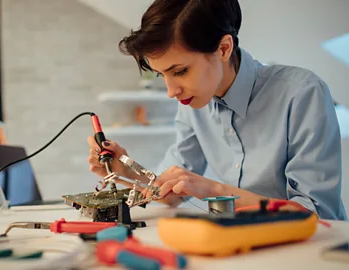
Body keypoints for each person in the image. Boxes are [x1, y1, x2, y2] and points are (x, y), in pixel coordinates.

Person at [87, 0, 347, 220]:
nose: (171, 90)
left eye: (180, 71)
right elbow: (170, 193)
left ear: (224, 48)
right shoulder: (193, 102)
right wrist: (123, 168)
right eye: (161, 75)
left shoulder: (302, 92)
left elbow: (316, 215)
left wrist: (212, 190)